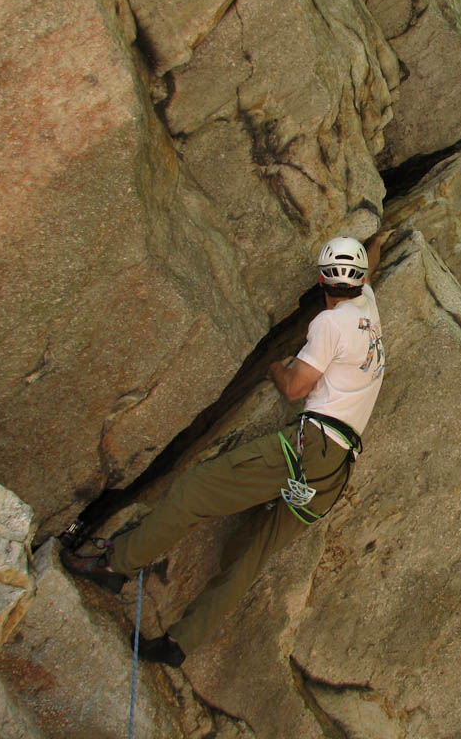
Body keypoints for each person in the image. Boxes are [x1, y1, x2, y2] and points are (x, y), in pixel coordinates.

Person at [61, 233, 389, 667]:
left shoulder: (331, 324)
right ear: (362, 277)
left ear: (324, 280)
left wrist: (276, 365)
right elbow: (372, 264)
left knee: (194, 491)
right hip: (335, 471)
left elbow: (295, 388)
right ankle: (179, 644)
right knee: (250, 554)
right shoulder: (368, 305)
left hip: (307, 446)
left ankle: (114, 567)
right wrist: (380, 239)